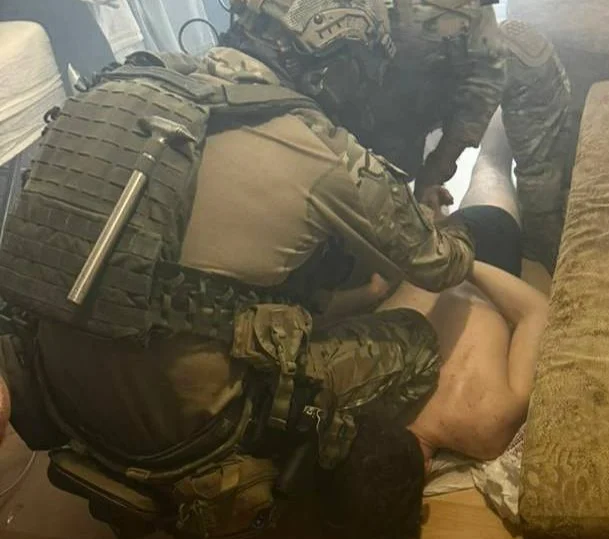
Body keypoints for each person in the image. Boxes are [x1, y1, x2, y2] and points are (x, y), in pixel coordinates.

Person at [0, 1, 475, 536]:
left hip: (59, 395)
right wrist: (447, 219)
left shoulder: (128, 82)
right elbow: (442, 265)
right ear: (340, 69)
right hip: (190, 431)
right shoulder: (323, 150)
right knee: (416, 344)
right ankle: (263, 474)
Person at [315, 110, 549, 539]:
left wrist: (438, 254)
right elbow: (538, 310)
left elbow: (537, 312)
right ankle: (495, 115)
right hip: (470, 261)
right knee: (491, 166)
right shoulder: (354, 387)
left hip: (446, 258)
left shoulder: (486, 429)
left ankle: (447, 184)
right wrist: (454, 261)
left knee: (487, 168)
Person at [230, 0, 574, 272]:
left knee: (526, 54)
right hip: (329, 112)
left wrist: (437, 168)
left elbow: (485, 71)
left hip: (421, 89)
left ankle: (541, 231)